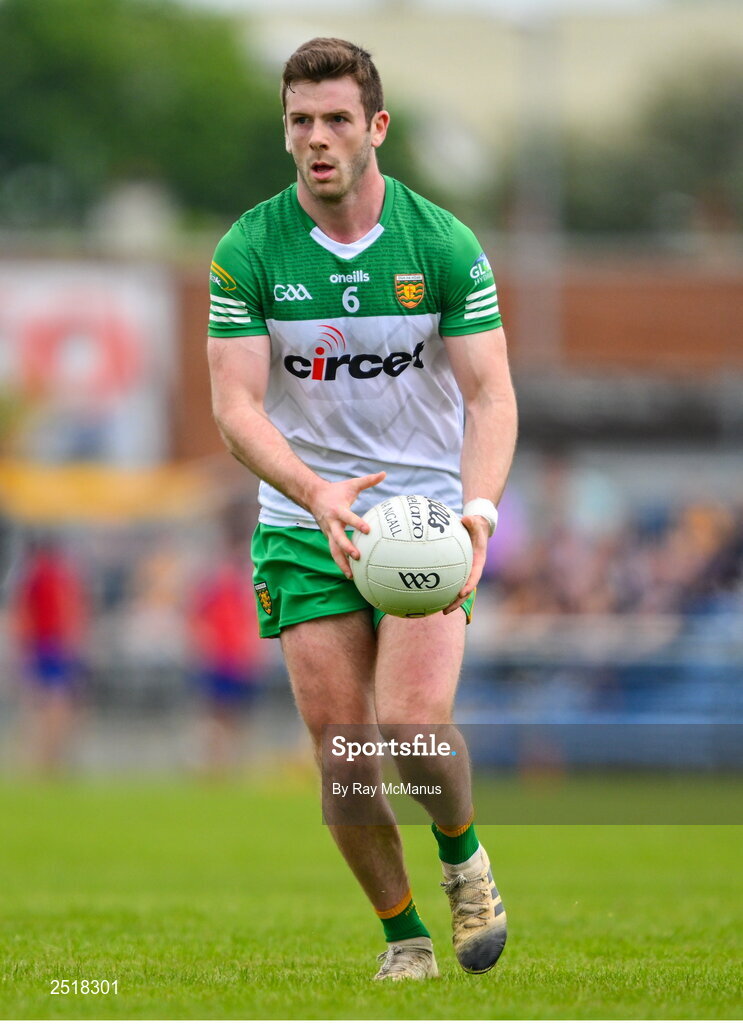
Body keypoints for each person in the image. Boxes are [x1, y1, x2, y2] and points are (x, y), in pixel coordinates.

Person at [207, 38, 517, 981]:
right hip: (306, 524)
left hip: (422, 519)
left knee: (411, 726)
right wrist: (313, 492)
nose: (317, 138)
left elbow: (491, 395)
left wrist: (478, 512)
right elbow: (233, 408)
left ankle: (463, 858)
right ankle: (404, 939)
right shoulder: (250, 249)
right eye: (300, 120)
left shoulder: (443, 245)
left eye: (337, 118)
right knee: (345, 751)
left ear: (375, 127)